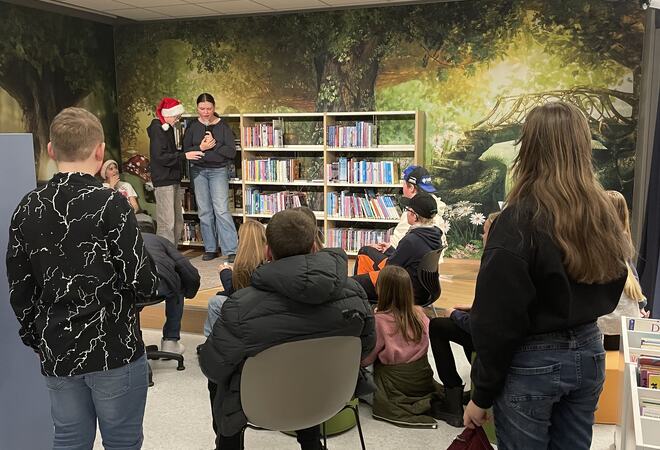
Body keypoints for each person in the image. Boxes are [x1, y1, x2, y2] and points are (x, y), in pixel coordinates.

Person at [463, 102, 629, 450]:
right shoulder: (603, 213)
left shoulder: (518, 220)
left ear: (529, 148)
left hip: (533, 360)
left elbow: (496, 319)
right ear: (582, 147)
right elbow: (616, 278)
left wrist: (481, 394)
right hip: (590, 351)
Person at [6, 107, 159, 449]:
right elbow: (143, 281)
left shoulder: (26, 208)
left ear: (50, 150)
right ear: (100, 151)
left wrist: (37, 338)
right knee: (122, 441)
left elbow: (20, 288)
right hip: (115, 345)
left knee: (69, 440)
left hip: (57, 346)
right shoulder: (111, 204)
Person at [199, 209, 375, 450]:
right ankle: (311, 442)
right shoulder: (355, 293)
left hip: (262, 405)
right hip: (329, 398)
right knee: (307, 365)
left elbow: (213, 366)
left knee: (221, 378)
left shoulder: (241, 306)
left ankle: (227, 444)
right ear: (315, 246)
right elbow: (366, 348)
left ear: (268, 251)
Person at [428, 211, 499, 427]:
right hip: (495, 331)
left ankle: (452, 398)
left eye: (485, 231)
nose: (481, 236)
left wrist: (456, 315)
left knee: (438, 325)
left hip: (492, 337)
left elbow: (481, 324)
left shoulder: (496, 267)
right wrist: (472, 308)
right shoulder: (501, 261)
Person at [361, 265, 440, 427]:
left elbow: (366, 360)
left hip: (394, 384)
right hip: (421, 379)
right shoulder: (420, 313)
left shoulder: (379, 321)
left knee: (359, 372)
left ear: (380, 290)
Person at [353, 192, 443, 304]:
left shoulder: (411, 240)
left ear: (414, 216)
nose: (406, 213)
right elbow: (409, 259)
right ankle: (363, 298)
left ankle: (360, 299)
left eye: (408, 210)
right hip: (420, 288)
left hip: (401, 289)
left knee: (352, 284)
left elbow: (390, 267)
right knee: (365, 251)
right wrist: (390, 249)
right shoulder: (435, 235)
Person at [183, 93, 239, 262]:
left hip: (218, 171)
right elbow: (186, 150)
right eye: (202, 109)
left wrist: (215, 144)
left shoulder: (223, 127)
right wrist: (201, 147)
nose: (205, 112)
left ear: (214, 108)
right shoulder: (192, 126)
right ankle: (210, 248)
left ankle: (231, 249)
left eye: (209, 108)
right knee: (204, 211)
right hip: (198, 171)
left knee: (221, 210)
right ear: (197, 108)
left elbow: (231, 152)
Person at [148, 97, 204, 245]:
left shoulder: (168, 128)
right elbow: (160, 157)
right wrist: (184, 156)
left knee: (178, 221)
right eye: (176, 116)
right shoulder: (157, 129)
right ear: (167, 114)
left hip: (173, 179)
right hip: (163, 180)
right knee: (167, 223)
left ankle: (172, 253)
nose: (177, 120)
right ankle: (165, 256)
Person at [139, 221, 201, 354]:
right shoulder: (161, 241)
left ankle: (134, 341)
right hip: (160, 284)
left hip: (133, 289)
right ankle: (170, 341)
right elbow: (186, 268)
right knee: (177, 288)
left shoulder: (123, 241)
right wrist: (189, 292)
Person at [358, 165, 447, 258]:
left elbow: (398, 249)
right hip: (424, 266)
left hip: (401, 266)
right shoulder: (434, 210)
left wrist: (385, 248)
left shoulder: (412, 213)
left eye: (403, 184)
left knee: (365, 251)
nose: (402, 188)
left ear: (411, 187)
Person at [597, 191, 648, 350]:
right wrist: (641, 304)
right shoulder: (624, 241)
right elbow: (633, 279)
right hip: (626, 316)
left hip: (606, 318)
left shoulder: (597, 243)